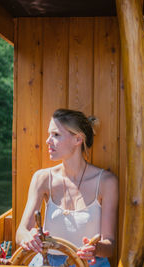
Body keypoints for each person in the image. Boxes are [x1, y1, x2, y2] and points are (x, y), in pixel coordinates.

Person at [16, 108, 118, 266]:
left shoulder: (106, 182)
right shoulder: (42, 178)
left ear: (78, 139)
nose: (48, 141)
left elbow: (109, 245)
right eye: (50, 134)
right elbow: (21, 232)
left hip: (91, 264)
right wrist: (29, 238)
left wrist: (96, 248)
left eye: (56, 135)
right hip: (47, 262)